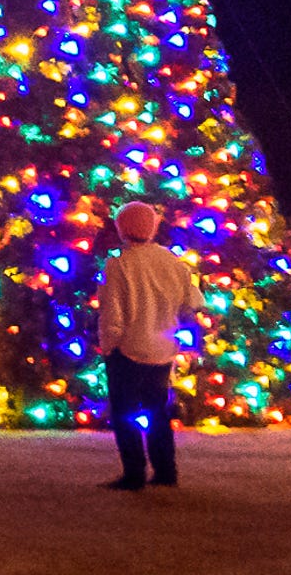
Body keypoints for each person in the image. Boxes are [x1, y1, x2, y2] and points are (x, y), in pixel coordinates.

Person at [94, 201, 201, 492]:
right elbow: (193, 301)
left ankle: (134, 473)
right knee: (157, 409)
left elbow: (113, 313)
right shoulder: (174, 263)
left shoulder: (119, 265)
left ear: (122, 229)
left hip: (128, 348)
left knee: (125, 411)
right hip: (163, 346)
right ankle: (166, 470)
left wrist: (109, 344)